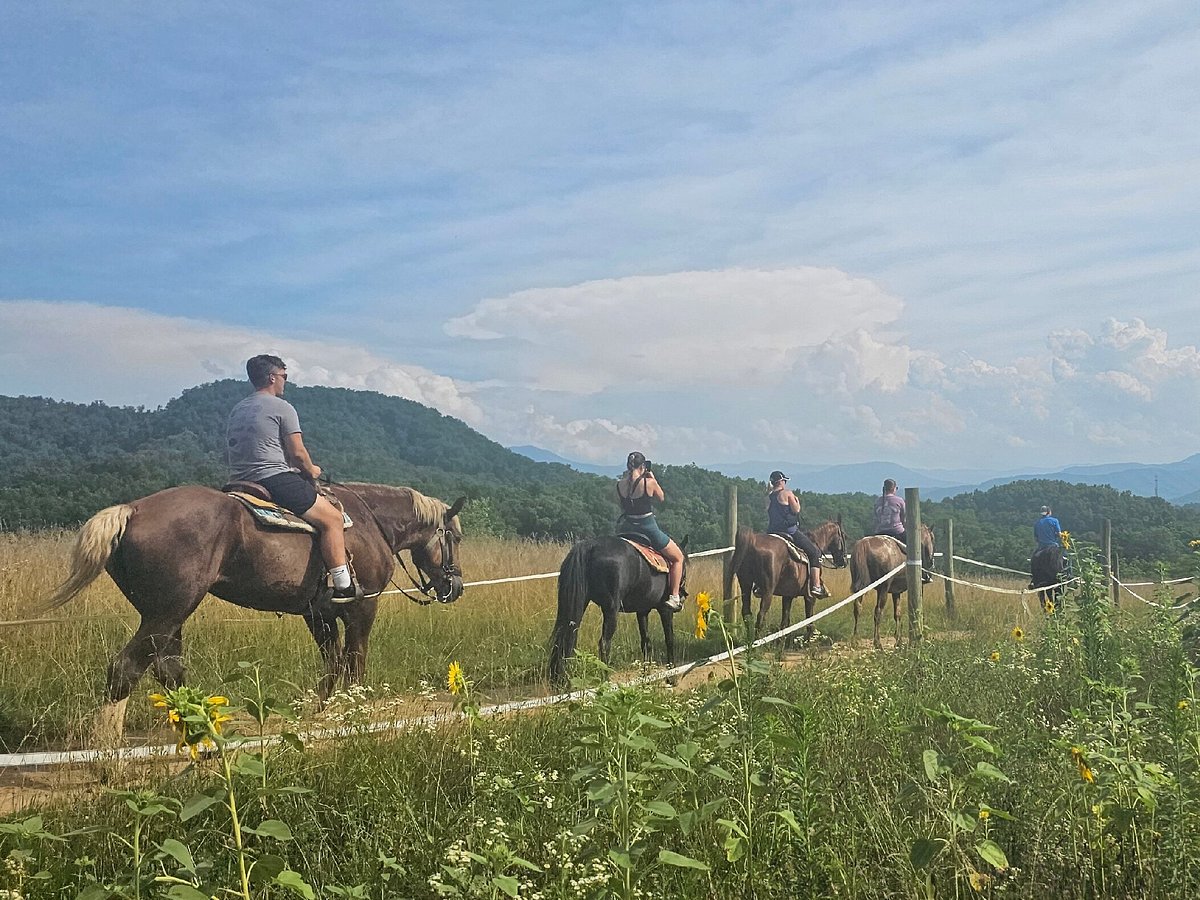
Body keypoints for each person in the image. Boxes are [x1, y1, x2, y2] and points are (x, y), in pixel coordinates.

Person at [227, 355, 362, 603]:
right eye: (284, 377)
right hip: (273, 479)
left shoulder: (239, 408)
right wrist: (312, 471)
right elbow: (298, 453)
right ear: (271, 378)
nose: (285, 382)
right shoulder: (282, 407)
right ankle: (343, 585)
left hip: (238, 482)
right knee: (332, 518)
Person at [616, 452, 685, 612]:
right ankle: (674, 596)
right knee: (677, 558)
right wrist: (652, 478)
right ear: (643, 466)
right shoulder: (649, 483)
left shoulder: (620, 484)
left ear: (627, 466)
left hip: (626, 527)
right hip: (647, 526)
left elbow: (621, 503)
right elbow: (661, 498)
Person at [765, 471, 829, 598]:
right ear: (781, 481)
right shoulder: (787, 493)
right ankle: (816, 585)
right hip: (790, 531)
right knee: (813, 552)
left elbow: (766, 510)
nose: (785, 483)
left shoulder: (768, 497)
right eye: (785, 481)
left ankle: (759, 585)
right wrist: (797, 502)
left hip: (772, 532)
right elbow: (796, 510)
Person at [873, 478, 932, 583]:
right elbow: (904, 518)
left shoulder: (877, 501)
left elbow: (876, 518)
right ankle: (923, 573)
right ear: (894, 488)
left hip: (880, 532)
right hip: (897, 531)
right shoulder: (899, 501)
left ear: (884, 488)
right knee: (918, 546)